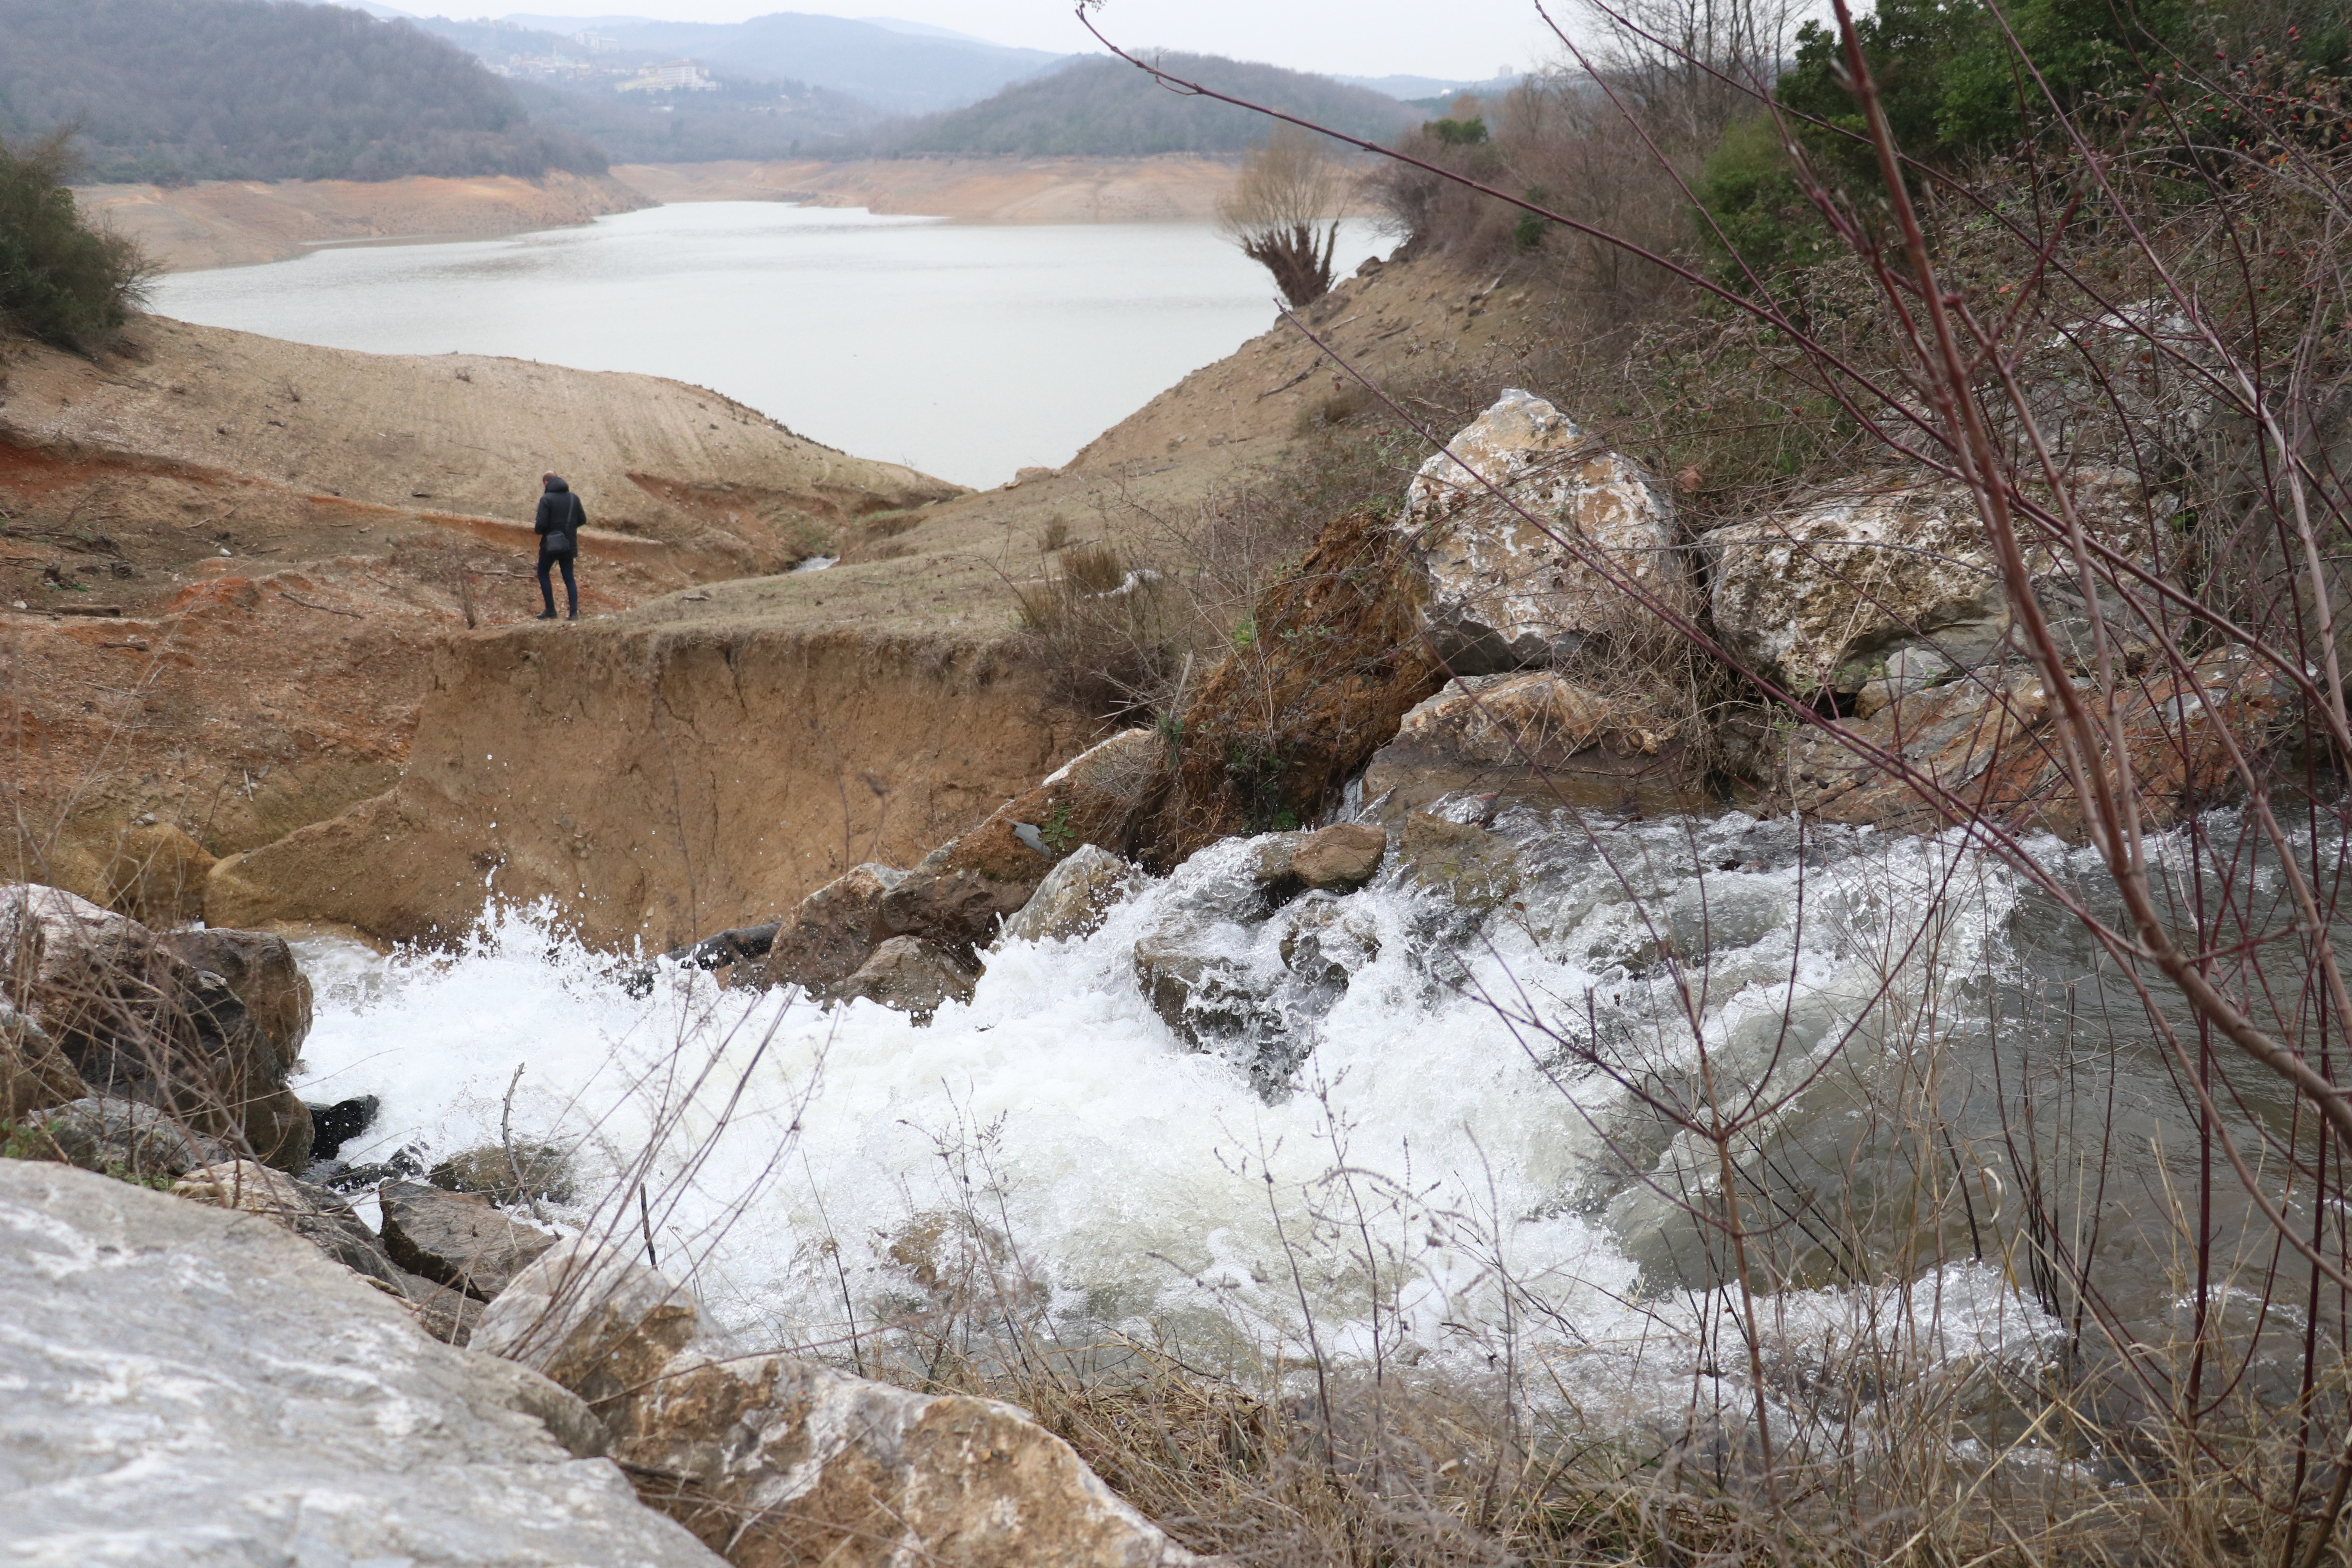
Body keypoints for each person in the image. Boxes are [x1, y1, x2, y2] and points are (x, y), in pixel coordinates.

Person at [533, 471, 583, 620]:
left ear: (546, 483)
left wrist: (546, 531)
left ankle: (551, 610)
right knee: (569, 578)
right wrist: (568, 529)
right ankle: (574, 614)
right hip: (569, 544)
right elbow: (582, 520)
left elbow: (541, 525)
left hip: (550, 545)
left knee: (543, 573)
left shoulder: (546, 499)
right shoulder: (574, 499)